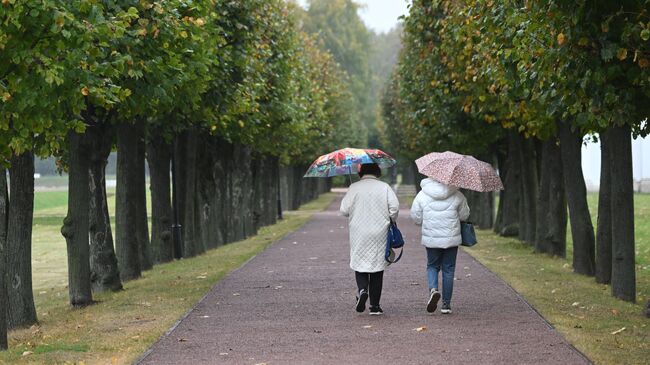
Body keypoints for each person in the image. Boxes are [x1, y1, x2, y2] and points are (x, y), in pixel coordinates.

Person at [340, 163, 399, 315]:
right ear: (377, 172)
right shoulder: (384, 187)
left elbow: (344, 210)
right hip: (379, 231)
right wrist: (390, 219)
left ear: (361, 172)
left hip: (359, 232)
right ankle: (375, 306)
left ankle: (362, 290)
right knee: (377, 267)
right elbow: (394, 208)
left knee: (359, 262)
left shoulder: (354, 187)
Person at [410, 178, 469, 314]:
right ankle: (446, 305)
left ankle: (433, 289)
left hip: (431, 238)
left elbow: (416, 217)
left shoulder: (422, 194)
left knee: (432, 266)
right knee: (448, 270)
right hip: (451, 238)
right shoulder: (457, 194)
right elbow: (464, 215)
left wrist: (424, 222)